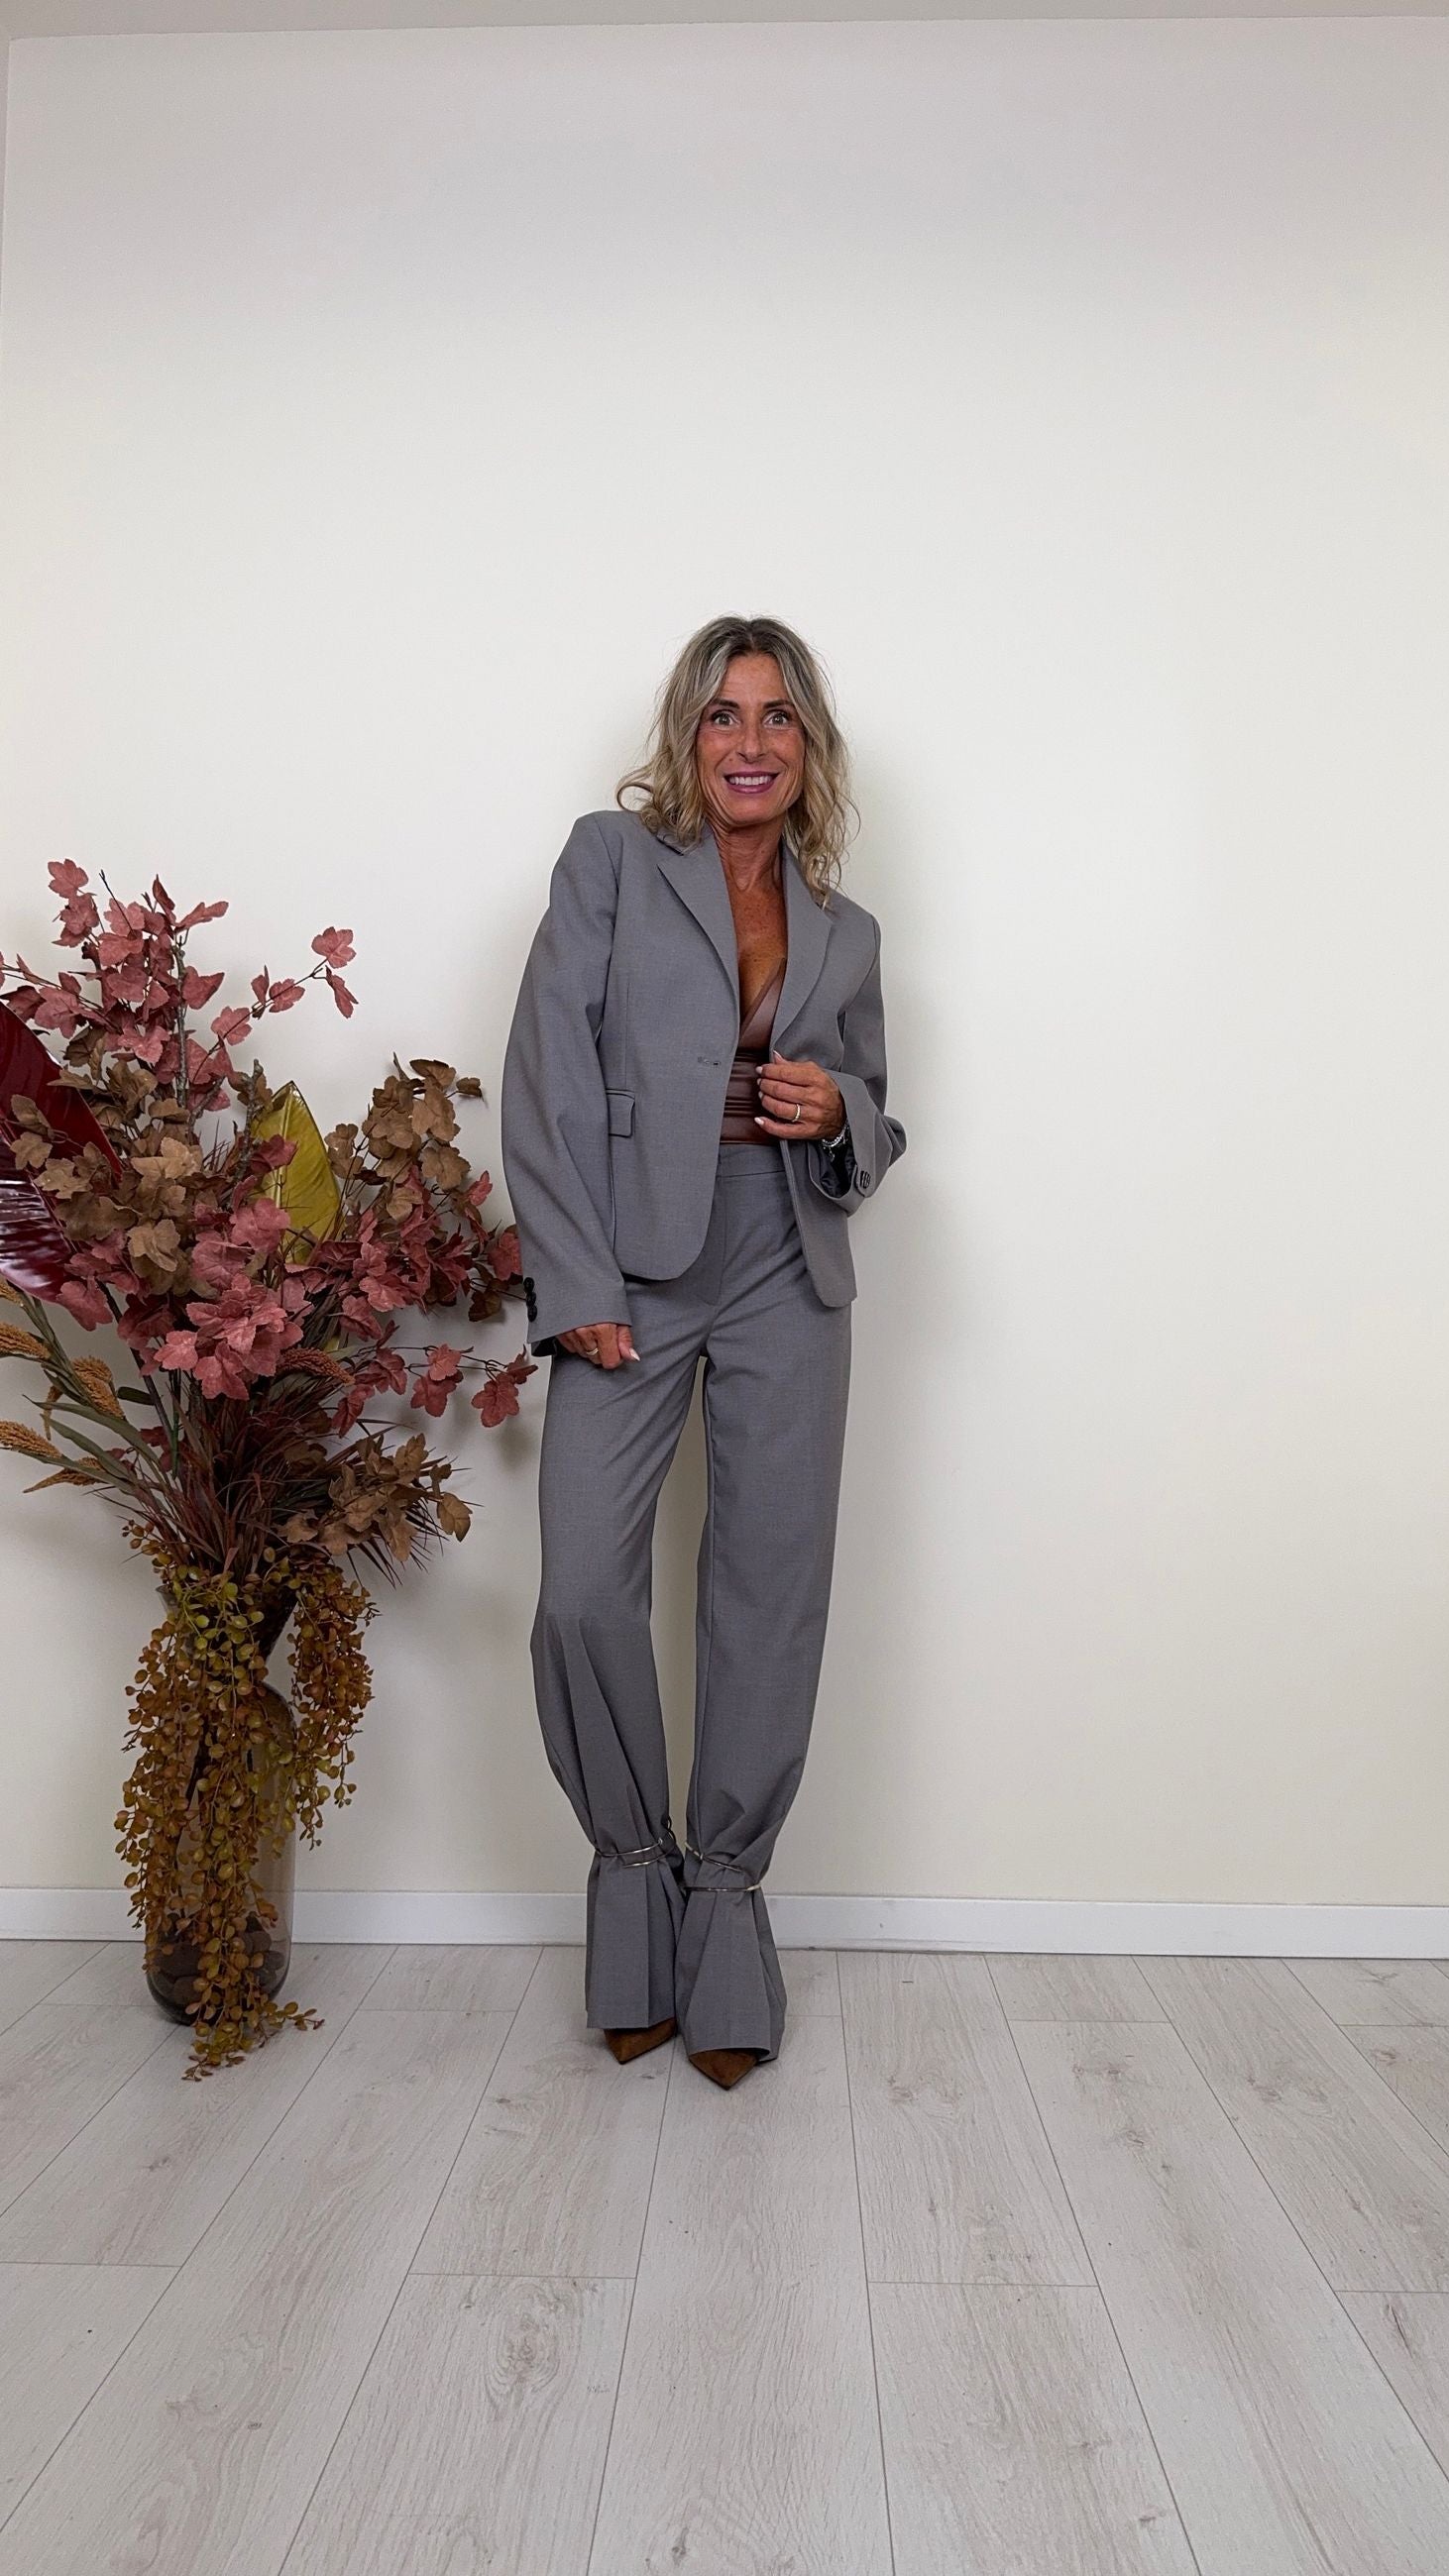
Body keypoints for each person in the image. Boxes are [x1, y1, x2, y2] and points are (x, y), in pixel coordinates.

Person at [500, 612, 906, 2089]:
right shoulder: (611, 863)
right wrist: (575, 1280)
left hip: (787, 1257)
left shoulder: (847, 929)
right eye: (724, 714)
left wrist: (841, 1112)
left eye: (778, 716)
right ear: (687, 736)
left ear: (810, 747)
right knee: (584, 1591)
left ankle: (724, 1920)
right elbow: (547, 1071)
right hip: (634, 1262)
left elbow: (881, 1117)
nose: (750, 742)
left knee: (767, 1595)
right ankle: (634, 1900)